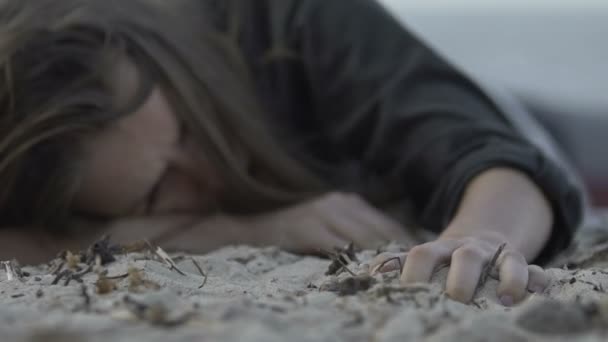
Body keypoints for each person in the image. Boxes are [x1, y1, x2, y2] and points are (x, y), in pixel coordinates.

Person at [0, 0, 584, 306]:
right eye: (158, 191)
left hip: (518, 121)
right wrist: (233, 228)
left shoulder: (294, 17)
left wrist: (478, 235)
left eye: (185, 126)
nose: (204, 165)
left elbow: (494, 157)